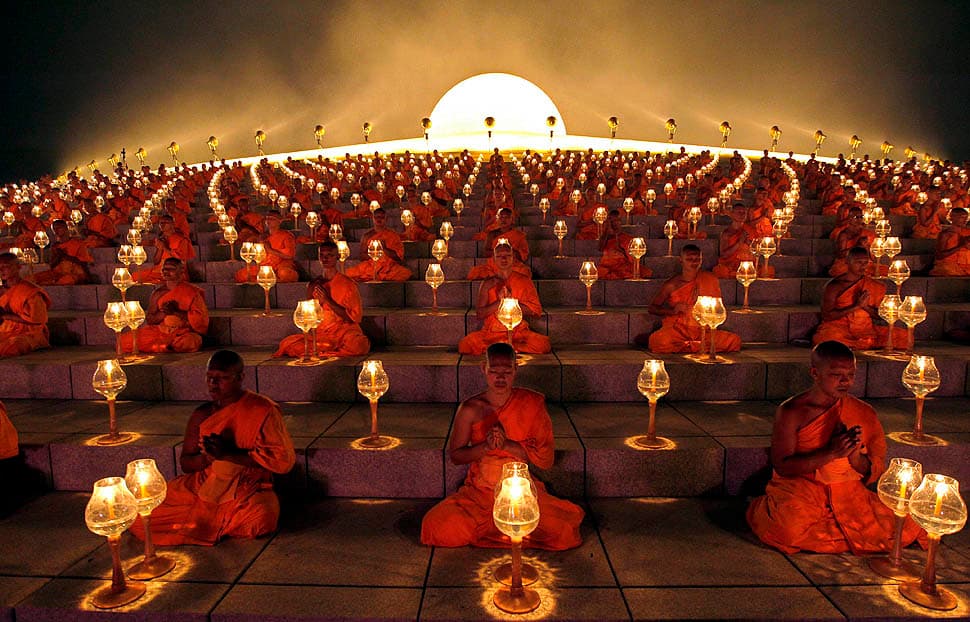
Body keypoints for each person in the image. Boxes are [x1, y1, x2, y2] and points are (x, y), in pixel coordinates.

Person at [747, 341, 924, 554]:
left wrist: (854, 456)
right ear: (815, 373)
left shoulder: (863, 412)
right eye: (836, 375)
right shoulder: (792, 411)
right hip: (803, 486)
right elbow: (783, 466)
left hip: (848, 489)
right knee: (787, 531)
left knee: (911, 524)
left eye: (851, 375)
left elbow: (873, 469)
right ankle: (762, 508)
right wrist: (831, 452)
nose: (845, 381)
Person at [421, 342, 583, 550]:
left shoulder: (530, 403)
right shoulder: (470, 409)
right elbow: (456, 456)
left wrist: (506, 444)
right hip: (480, 491)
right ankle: (508, 531)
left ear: (516, 369)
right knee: (435, 526)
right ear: (483, 369)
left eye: (507, 372)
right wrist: (485, 448)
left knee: (563, 532)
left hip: (519, 490)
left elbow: (546, 461)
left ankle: (502, 529)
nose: (500, 378)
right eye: (493, 371)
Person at [130, 350, 296, 546]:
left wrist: (229, 454)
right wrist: (208, 458)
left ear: (240, 377)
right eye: (209, 378)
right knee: (141, 514)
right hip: (205, 483)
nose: (213, 384)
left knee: (261, 520)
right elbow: (186, 463)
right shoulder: (202, 414)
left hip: (247, 486)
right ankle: (217, 523)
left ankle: (211, 523)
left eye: (222, 378)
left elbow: (282, 461)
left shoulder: (262, 409)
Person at [274, 241, 370, 358]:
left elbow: (354, 318)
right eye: (322, 255)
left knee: (359, 344)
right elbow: (309, 315)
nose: (325, 259)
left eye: (329, 255)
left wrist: (328, 300)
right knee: (288, 344)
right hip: (322, 333)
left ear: (338, 257)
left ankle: (324, 350)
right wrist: (317, 304)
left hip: (343, 331)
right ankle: (326, 348)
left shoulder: (348, 284)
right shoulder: (313, 285)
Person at [645, 244, 741, 353]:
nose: (694, 262)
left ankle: (690, 346)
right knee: (659, 341)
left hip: (704, 329)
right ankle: (698, 346)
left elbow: (717, 307)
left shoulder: (709, 279)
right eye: (689, 259)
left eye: (697, 259)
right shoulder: (672, 285)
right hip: (679, 329)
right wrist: (673, 310)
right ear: (681, 260)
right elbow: (652, 308)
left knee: (734, 341)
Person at [459, 243, 550, 355]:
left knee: (543, 344)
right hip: (492, 333)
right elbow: (480, 314)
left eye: (507, 255)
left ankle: (503, 346)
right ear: (494, 259)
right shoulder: (488, 283)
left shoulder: (524, 280)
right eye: (499, 256)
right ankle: (507, 346)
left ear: (513, 258)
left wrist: (511, 302)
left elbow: (536, 310)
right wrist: (501, 302)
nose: (504, 259)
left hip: (518, 331)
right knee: (466, 345)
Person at [814, 247, 906, 350]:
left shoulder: (874, 285)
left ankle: (860, 343)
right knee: (826, 338)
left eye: (865, 262)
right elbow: (827, 316)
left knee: (903, 337)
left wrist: (866, 307)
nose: (862, 266)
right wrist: (856, 306)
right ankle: (859, 344)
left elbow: (880, 315)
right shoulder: (834, 286)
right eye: (858, 262)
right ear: (847, 262)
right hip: (839, 328)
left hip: (865, 329)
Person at [120, 258, 209, 353]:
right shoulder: (158, 293)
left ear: (182, 270)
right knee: (124, 341)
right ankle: (165, 346)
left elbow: (200, 321)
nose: (166, 271)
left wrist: (176, 312)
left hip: (183, 332)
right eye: (164, 269)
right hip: (161, 331)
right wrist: (164, 312)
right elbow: (150, 320)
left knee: (192, 341)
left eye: (171, 269)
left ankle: (162, 346)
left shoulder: (192, 292)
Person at [0, 252, 50, 356]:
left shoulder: (30, 291)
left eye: (6, 266)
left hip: (30, 332)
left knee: (14, 345)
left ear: (18, 267)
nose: (1, 270)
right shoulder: (1, 291)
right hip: (5, 330)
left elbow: (38, 319)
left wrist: (7, 316)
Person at [344, 207, 412, 282]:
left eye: (382, 217)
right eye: (376, 217)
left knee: (406, 273)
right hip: (371, 266)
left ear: (386, 219)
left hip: (388, 267)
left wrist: (384, 249)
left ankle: (378, 276)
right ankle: (377, 276)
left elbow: (398, 257)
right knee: (348, 273)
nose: (379, 219)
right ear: (373, 218)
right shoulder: (367, 236)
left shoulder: (393, 235)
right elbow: (361, 256)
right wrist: (375, 255)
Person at [235, 212, 299, 283]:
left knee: (284, 273)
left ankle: (265, 280)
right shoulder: (264, 236)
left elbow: (290, 255)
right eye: (267, 219)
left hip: (281, 265)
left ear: (279, 221)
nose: (268, 221)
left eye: (272, 219)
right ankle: (269, 279)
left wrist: (270, 250)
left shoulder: (286, 235)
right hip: (266, 266)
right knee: (241, 274)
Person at [712, 203, 771, 279]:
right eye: (739, 212)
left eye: (744, 213)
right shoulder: (727, 233)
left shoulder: (749, 229)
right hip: (732, 264)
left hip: (748, 263)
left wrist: (749, 243)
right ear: (732, 214)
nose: (742, 215)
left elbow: (756, 250)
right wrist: (739, 242)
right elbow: (724, 254)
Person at [135, 214, 196, 284]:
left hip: (175, 271)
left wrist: (165, 247)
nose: (163, 225)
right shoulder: (162, 239)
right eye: (161, 223)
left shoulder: (181, 239)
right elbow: (156, 262)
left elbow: (181, 259)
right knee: (135, 276)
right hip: (160, 270)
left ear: (173, 224)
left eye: (166, 222)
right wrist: (160, 248)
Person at [33, 220, 93, 285]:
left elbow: (84, 263)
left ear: (66, 228)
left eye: (59, 228)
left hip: (74, 273)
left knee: (67, 280)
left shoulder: (78, 243)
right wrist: (58, 257)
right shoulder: (55, 246)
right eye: (54, 229)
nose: (56, 231)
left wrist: (66, 256)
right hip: (58, 273)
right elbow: (52, 265)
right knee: (35, 278)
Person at [597, 209, 651, 279]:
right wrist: (607, 232)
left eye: (618, 220)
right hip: (607, 264)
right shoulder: (606, 237)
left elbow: (631, 258)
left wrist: (620, 248)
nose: (615, 223)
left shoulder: (626, 238)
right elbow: (600, 248)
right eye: (613, 221)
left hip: (621, 263)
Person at [929, 207, 970, 275]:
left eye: (966, 218)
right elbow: (940, 255)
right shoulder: (945, 234)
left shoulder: (967, 232)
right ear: (952, 218)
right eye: (962, 217)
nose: (965, 220)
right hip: (950, 265)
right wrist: (960, 246)